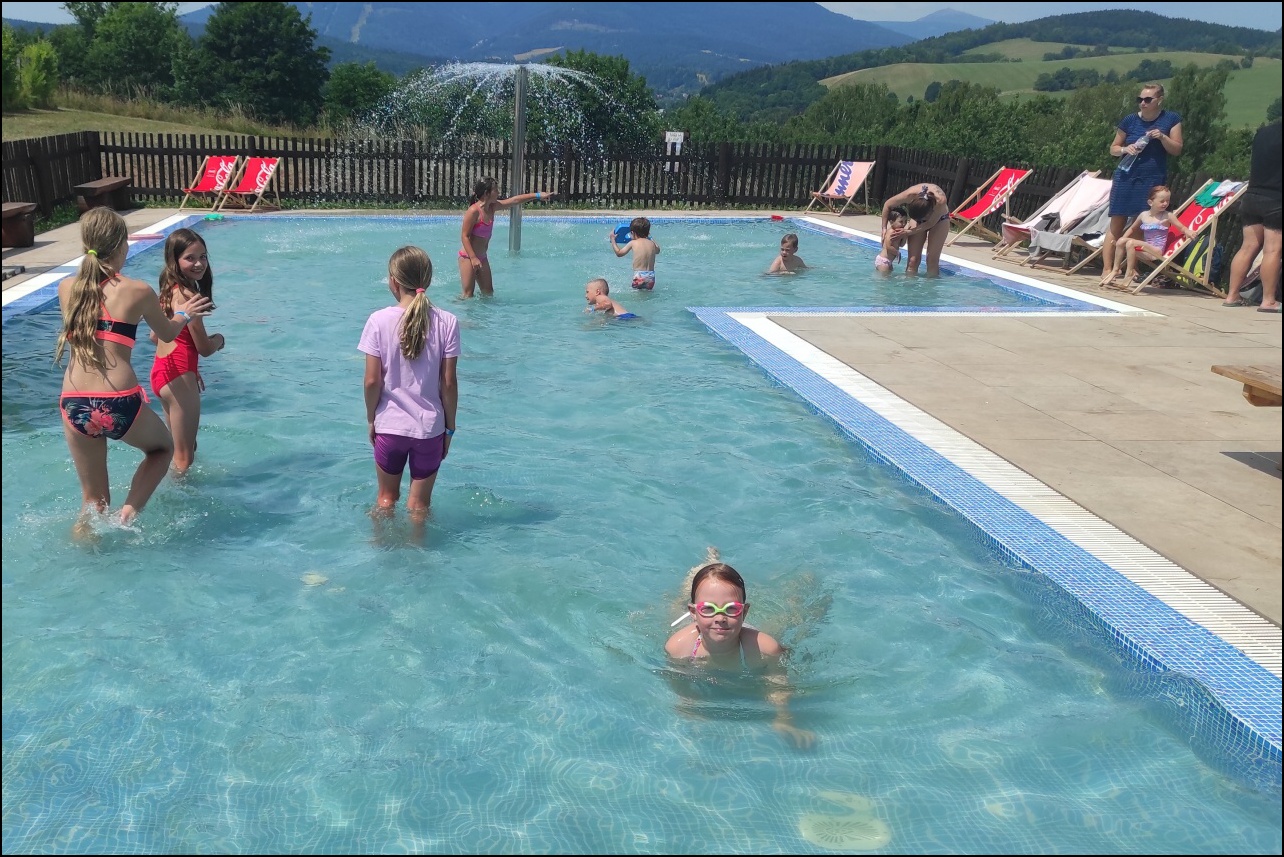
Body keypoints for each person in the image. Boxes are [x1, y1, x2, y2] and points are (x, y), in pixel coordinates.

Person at [55, 208, 213, 533]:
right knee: (163, 448)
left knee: (93, 501)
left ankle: (84, 546)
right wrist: (183, 314)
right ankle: (127, 516)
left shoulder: (67, 288)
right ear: (122, 245)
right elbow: (166, 334)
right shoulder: (137, 290)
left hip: (73, 401)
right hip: (116, 399)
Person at [665, 551, 816, 748]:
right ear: (693, 612)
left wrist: (783, 719)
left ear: (744, 612)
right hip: (694, 629)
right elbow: (682, 688)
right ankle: (709, 562)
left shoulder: (764, 648)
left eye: (731, 608)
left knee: (790, 621)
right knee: (675, 606)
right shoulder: (679, 647)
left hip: (741, 633)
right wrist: (691, 708)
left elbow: (779, 685)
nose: (720, 617)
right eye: (708, 608)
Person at [360, 246, 460, 526]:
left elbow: (372, 381)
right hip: (430, 429)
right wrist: (449, 429)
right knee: (419, 507)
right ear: (428, 279)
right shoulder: (448, 322)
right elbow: (448, 383)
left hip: (390, 427)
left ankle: (379, 547)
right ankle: (418, 551)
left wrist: (371, 419)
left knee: (385, 500)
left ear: (393, 281)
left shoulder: (378, 320)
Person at [149, 228, 225, 475]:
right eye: (190, 258)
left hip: (162, 372)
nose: (199, 263)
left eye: (203, 256)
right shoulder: (189, 296)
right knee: (184, 458)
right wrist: (220, 339)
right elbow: (205, 348)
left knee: (182, 448)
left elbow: (154, 336)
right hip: (179, 376)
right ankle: (174, 499)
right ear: (175, 260)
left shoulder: (167, 290)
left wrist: (190, 370)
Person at [1101, 83, 1183, 282]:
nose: (1143, 103)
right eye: (1140, 99)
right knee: (1117, 222)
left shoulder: (1171, 119)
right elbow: (1113, 148)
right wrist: (1124, 149)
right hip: (1126, 177)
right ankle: (1107, 268)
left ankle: (1132, 268)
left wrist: (1162, 137)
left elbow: (1177, 149)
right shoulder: (1130, 120)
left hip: (1152, 178)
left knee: (1141, 223)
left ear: (1159, 100)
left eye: (1147, 99)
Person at [458, 177, 557, 298]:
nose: (498, 192)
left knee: (488, 293)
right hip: (468, 257)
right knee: (468, 295)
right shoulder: (474, 211)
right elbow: (465, 236)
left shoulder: (492, 207)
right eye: (495, 190)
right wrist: (473, 258)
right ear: (486, 193)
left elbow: (515, 200)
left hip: (482, 257)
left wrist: (537, 195)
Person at [1223, 121, 1281, 312]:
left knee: (1247, 247)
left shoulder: (1263, 132)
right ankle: (1268, 300)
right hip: (1276, 198)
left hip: (1252, 195)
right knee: (1272, 250)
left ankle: (1232, 295)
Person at [1101, 185, 1195, 290]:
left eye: (1167, 201)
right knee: (1122, 241)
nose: (1165, 203)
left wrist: (1188, 231)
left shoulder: (1167, 216)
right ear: (1150, 202)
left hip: (1156, 251)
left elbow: (1181, 227)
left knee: (1130, 243)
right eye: (1162, 201)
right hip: (1145, 250)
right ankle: (1115, 270)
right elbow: (1132, 228)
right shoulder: (1143, 215)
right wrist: (1122, 239)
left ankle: (1130, 272)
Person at [880, 182, 950, 276]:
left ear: (930, 212)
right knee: (912, 261)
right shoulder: (909, 195)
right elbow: (887, 205)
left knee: (932, 261)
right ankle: (909, 284)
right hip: (921, 215)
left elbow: (929, 223)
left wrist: (907, 232)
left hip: (940, 220)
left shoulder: (940, 201)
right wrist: (884, 228)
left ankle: (931, 284)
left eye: (922, 219)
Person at [610, 216, 661, 289]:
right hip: (651, 277)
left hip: (639, 276)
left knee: (637, 293)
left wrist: (613, 240)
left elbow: (619, 253)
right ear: (648, 232)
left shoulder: (633, 243)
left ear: (632, 232)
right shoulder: (652, 244)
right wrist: (651, 238)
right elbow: (658, 250)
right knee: (647, 293)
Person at [875, 207, 909, 274]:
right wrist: (897, 253)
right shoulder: (891, 232)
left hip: (889, 261)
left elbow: (901, 245)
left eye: (905, 221)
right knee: (884, 279)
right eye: (901, 222)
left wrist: (905, 236)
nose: (903, 224)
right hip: (883, 261)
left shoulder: (898, 233)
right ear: (891, 222)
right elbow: (888, 246)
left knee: (889, 277)